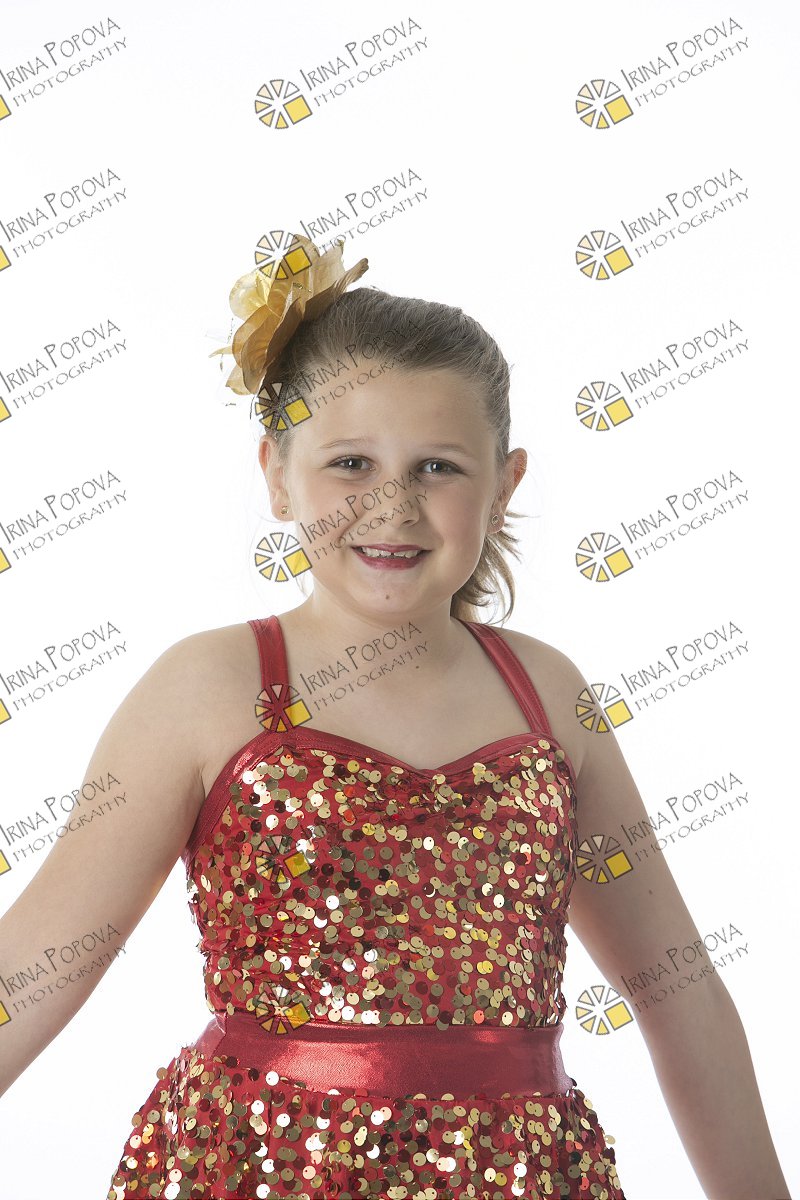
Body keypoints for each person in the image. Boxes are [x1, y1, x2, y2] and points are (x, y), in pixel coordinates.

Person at [0, 234, 789, 1200]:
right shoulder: (211, 686)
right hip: (261, 1170)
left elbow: (678, 992)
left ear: (505, 485)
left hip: (516, 1178)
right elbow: (36, 967)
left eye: (437, 468)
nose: (392, 505)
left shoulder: (550, 700)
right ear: (277, 474)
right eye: (350, 464)